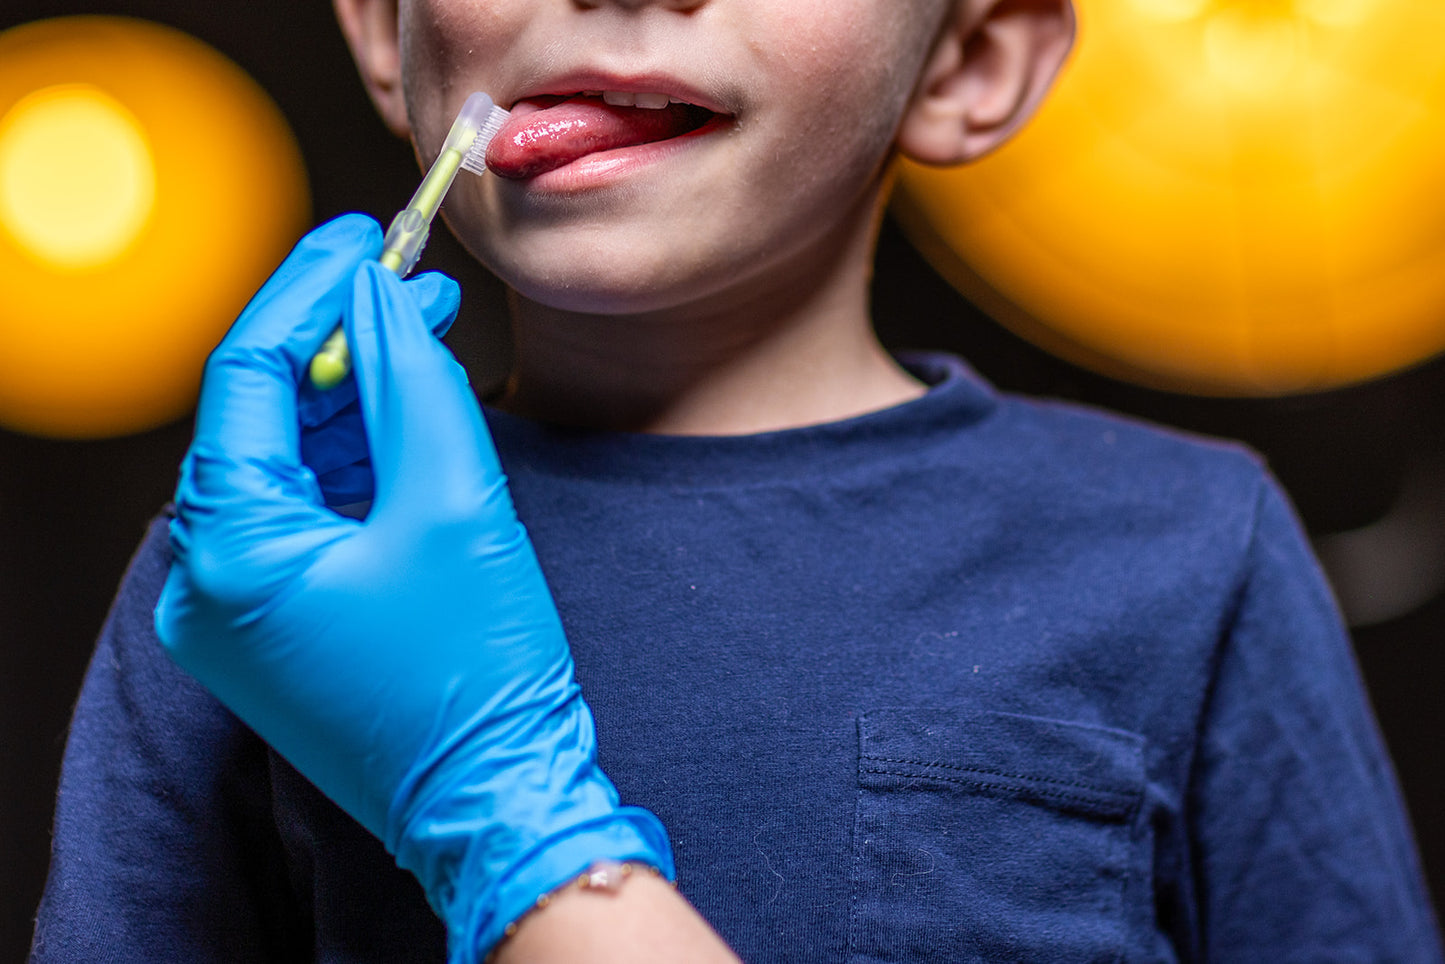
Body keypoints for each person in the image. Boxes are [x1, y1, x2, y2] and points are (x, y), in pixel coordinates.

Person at [28, 0, 1443, 961]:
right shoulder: (243, 587)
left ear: (971, 62)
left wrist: (503, 823)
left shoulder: (1185, 548)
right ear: (384, 36)